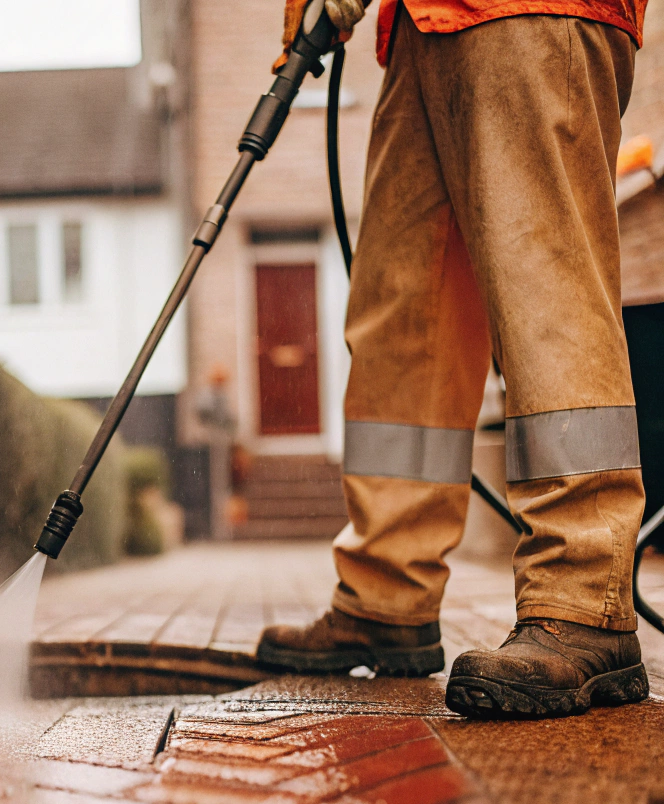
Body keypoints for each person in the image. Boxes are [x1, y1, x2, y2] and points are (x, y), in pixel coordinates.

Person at [257, 0, 651, 719]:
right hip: (421, 25)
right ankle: (388, 589)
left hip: (535, 12)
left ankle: (583, 595)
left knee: (546, 287)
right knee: (404, 314)